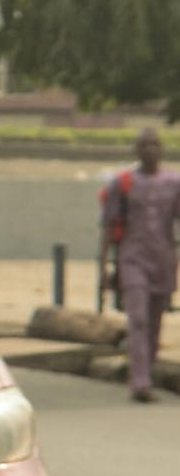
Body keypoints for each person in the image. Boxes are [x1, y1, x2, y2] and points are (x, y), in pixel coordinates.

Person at [99, 128, 180, 403]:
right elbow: (108, 227)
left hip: (163, 260)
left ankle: (147, 369)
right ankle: (140, 382)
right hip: (132, 259)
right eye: (144, 145)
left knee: (155, 322)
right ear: (136, 150)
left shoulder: (174, 182)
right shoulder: (123, 184)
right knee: (139, 319)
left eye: (154, 144)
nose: (149, 150)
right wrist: (102, 267)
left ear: (161, 149)